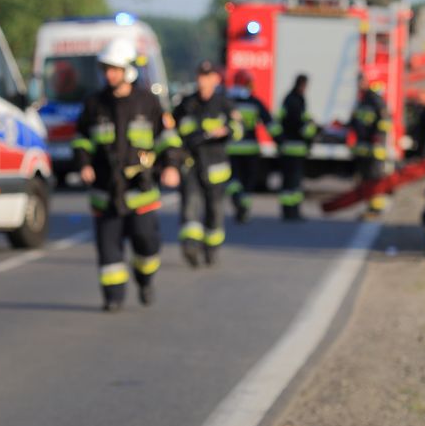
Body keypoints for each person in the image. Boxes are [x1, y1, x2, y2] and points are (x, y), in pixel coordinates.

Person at [72, 38, 182, 312]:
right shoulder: (94, 104)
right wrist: (84, 163)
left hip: (140, 192)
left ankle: (145, 279)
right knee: (109, 252)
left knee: (147, 244)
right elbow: (82, 139)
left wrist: (170, 166)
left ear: (128, 70)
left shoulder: (148, 102)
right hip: (105, 192)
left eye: (114, 69)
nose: (109, 74)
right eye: (106, 69)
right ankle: (113, 297)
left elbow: (168, 138)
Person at [174, 61, 232, 267]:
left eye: (207, 76)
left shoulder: (224, 103)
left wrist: (227, 131)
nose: (202, 80)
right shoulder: (186, 104)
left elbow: (238, 128)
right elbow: (173, 131)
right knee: (189, 206)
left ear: (216, 79)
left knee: (214, 212)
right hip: (191, 164)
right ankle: (190, 246)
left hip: (216, 167)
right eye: (200, 76)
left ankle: (211, 248)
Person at [225, 70, 275, 222]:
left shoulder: (226, 101)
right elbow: (270, 124)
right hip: (250, 150)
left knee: (233, 179)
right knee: (248, 181)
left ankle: (237, 197)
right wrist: (281, 141)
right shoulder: (254, 102)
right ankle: (244, 206)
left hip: (231, 148)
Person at [350, 74, 391, 217]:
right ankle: (371, 207)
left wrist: (378, 139)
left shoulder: (374, 99)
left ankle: (377, 207)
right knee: (367, 178)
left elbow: (385, 120)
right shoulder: (362, 100)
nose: (359, 84)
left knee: (375, 178)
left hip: (375, 148)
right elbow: (357, 121)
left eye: (361, 82)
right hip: (365, 147)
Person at [276, 74, 317, 221]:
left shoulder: (288, 99)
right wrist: (312, 132)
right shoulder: (298, 100)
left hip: (287, 146)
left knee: (288, 181)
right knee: (294, 182)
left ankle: (288, 211)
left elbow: (281, 120)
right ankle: (294, 212)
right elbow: (301, 124)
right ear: (302, 85)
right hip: (297, 147)